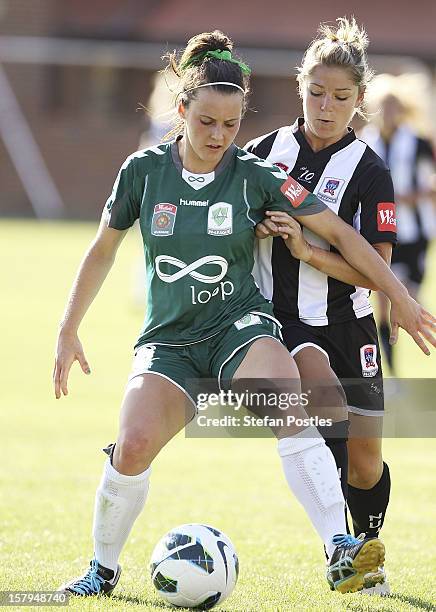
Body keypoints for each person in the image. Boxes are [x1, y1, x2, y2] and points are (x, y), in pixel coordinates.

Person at [53, 30, 435, 599]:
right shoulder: (144, 171)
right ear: (181, 110)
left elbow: (340, 234)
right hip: (174, 339)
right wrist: (67, 328)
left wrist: (399, 298)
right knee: (131, 446)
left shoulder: (261, 173)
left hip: (253, 324)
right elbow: (103, 249)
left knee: (328, 425)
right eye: (206, 121)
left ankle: (343, 550)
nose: (219, 136)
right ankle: (101, 571)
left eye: (231, 125)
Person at [245, 17, 435, 596]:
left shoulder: (371, 171)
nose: (326, 106)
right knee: (325, 430)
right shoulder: (264, 152)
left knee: (365, 460)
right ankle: (344, 551)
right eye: (316, 93)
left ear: (359, 100)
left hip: (350, 325)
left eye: (341, 97)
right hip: (286, 323)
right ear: (300, 88)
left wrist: (310, 252)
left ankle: (366, 543)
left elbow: (374, 267)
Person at [359, 73, 436, 374]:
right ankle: (390, 371)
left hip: (415, 232)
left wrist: (411, 196)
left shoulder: (417, 142)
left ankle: (410, 347)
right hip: (380, 232)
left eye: (394, 106)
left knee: (409, 299)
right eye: (384, 105)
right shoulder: (366, 141)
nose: (388, 112)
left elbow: (432, 182)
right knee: (382, 300)